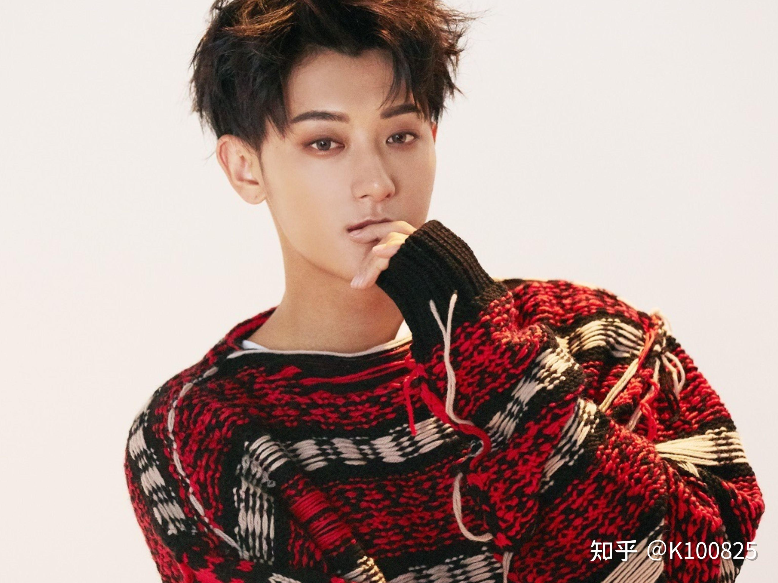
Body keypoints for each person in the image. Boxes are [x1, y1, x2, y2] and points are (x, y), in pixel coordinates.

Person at [124, 1, 765, 582]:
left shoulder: (591, 334)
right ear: (245, 167)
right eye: (325, 143)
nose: (376, 181)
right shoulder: (201, 430)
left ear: (433, 138)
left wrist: (492, 355)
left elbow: (701, 562)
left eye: (400, 135)